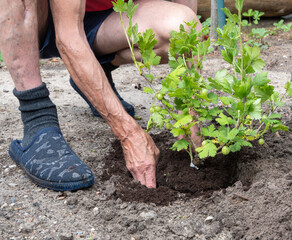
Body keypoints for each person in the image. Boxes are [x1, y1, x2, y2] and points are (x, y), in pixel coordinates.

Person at [0, 0, 200, 191]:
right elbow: (68, 37)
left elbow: (188, 28)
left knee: (183, 25)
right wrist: (129, 134)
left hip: (103, 22)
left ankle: (95, 75)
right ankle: (37, 117)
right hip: (40, 22)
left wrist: (190, 110)